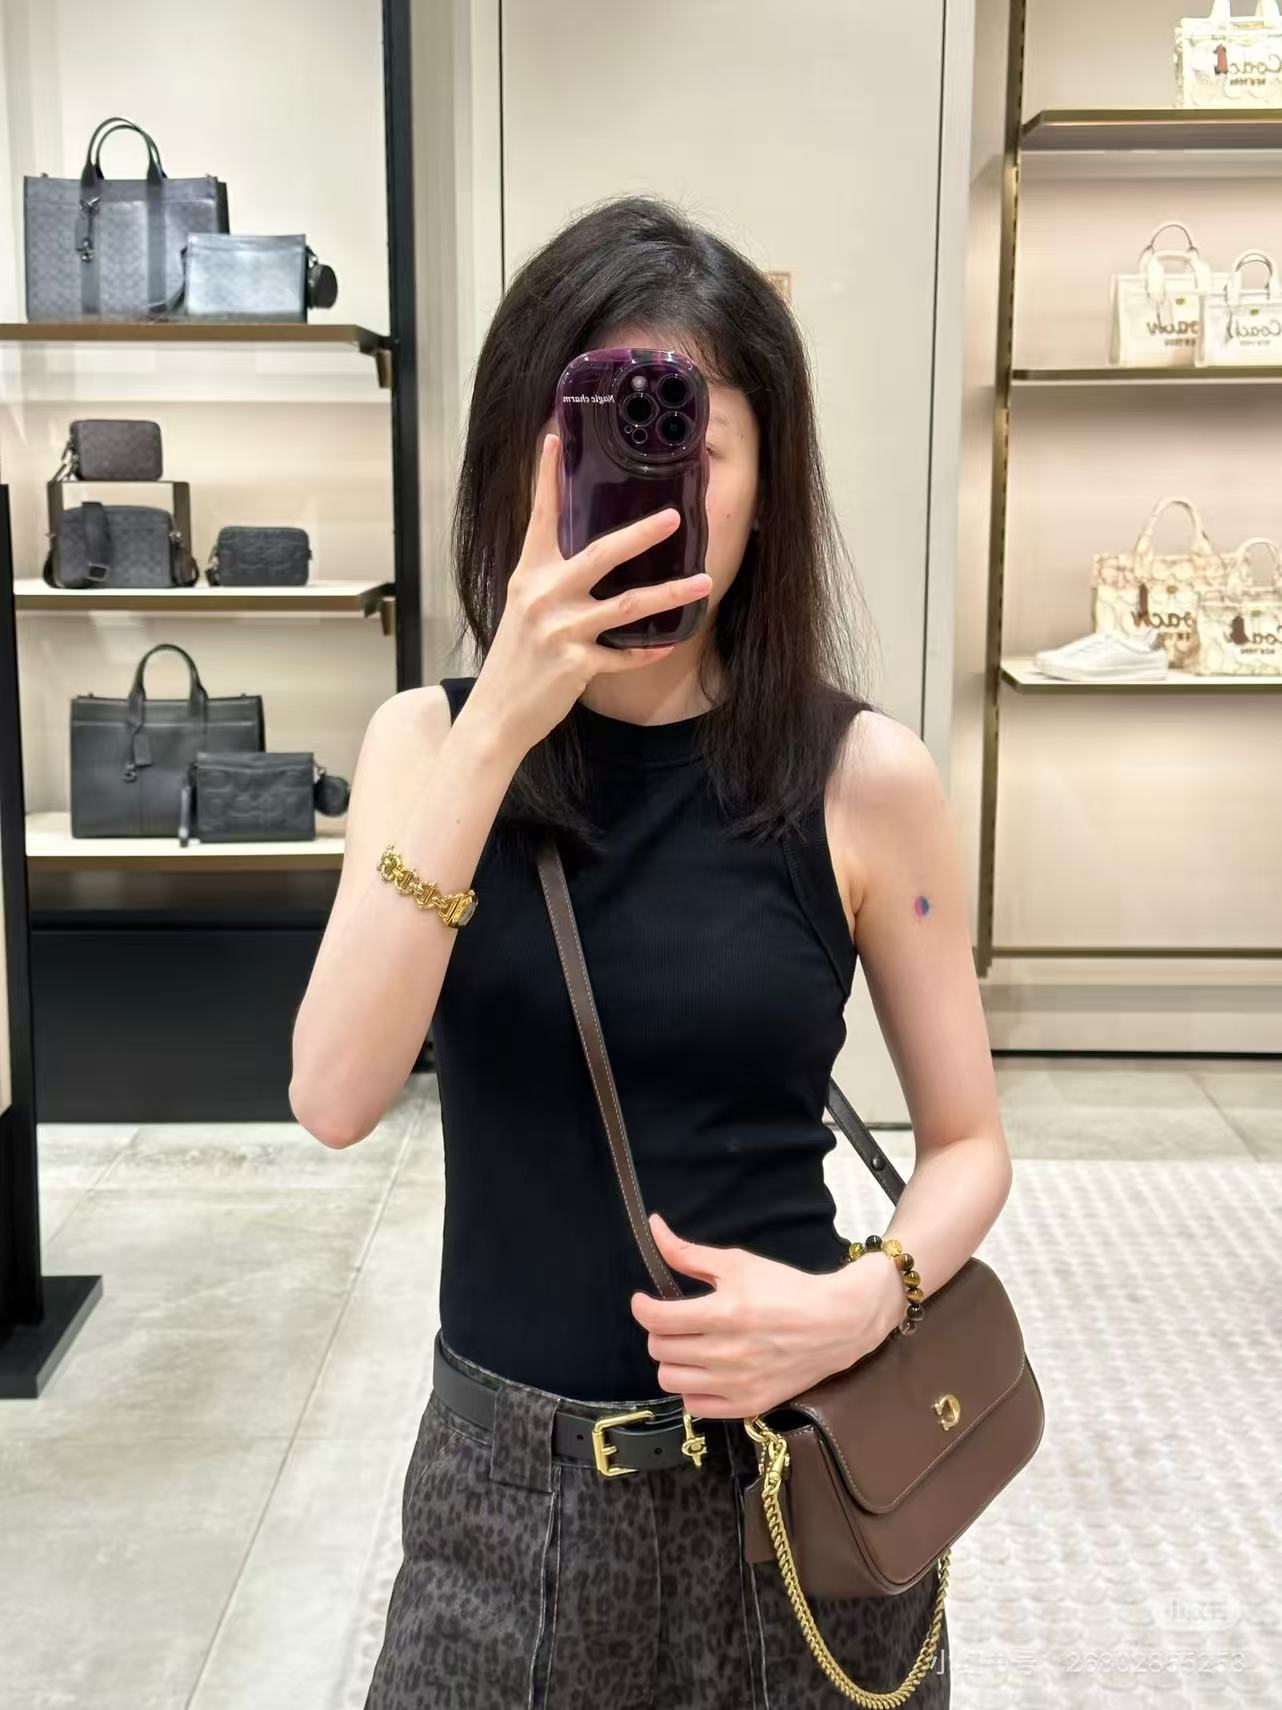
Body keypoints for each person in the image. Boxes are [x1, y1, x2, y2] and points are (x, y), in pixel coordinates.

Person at [290, 194, 1011, 1710]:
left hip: (794, 1474)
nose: (643, 490)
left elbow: (968, 1146)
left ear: (762, 481)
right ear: (520, 461)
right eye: (589, 437)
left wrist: (863, 1299)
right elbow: (336, 1093)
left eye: (691, 441)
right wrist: (498, 726)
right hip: (506, 1502)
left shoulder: (864, 779)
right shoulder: (425, 745)